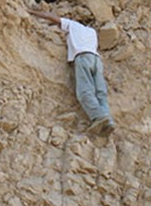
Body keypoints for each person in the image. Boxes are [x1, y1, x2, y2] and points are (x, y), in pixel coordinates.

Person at [28, 8, 116, 137]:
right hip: (96, 60)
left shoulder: (72, 25)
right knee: (100, 92)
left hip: (83, 57)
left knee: (84, 91)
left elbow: (51, 17)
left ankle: (99, 117)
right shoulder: (92, 31)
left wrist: (32, 12)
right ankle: (108, 120)